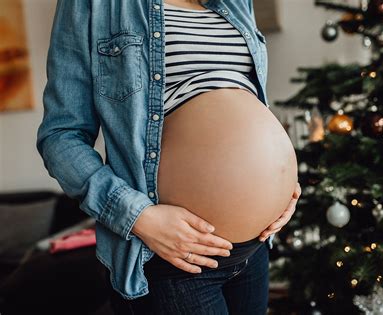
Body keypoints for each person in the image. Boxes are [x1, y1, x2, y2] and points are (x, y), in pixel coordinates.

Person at [36, 0, 301, 314]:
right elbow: (61, 136)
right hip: (168, 258)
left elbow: (246, 97)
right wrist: (139, 217)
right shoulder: (96, 5)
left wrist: (281, 185)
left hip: (254, 249)